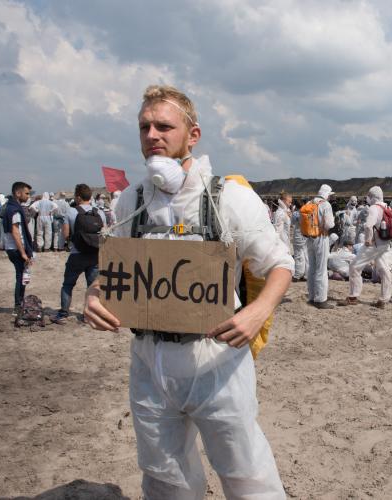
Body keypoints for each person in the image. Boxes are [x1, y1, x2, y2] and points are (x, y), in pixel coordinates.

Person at [82, 84, 292, 499]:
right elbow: (111, 270)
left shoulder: (229, 198)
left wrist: (257, 313)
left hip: (218, 364)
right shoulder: (131, 202)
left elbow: (280, 264)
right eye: (144, 127)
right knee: (164, 478)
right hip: (149, 364)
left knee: (245, 472)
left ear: (192, 135)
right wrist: (93, 295)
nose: (152, 136)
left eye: (164, 126)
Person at [51, 184, 106, 325]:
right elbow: (105, 233)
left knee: (68, 284)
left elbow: (66, 233)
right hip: (94, 254)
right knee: (92, 286)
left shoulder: (71, 212)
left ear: (78, 197)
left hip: (77, 254)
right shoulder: (99, 212)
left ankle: (63, 314)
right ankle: (89, 315)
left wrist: (67, 244)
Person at [339, 186, 392, 309]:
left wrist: (368, 239)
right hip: (384, 244)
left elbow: (369, 226)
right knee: (384, 270)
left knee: (354, 267)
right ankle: (384, 299)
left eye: (369, 195)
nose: (367, 197)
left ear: (373, 196)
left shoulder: (374, 208)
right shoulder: (387, 207)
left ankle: (353, 296)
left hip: (373, 244)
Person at [2, 182, 34, 314]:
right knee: (20, 277)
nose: (28, 196)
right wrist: (23, 253)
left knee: (22, 276)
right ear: (18, 193)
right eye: (26, 193)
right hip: (15, 248)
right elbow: (15, 232)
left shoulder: (10, 207)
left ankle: (20, 303)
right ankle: (18, 305)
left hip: (13, 247)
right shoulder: (14, 209)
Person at [306, 184, 335, 309]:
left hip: (309, 237)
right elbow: (329, 224)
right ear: (326, 194)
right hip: (321, 237)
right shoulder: (325, 204)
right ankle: (321, 299)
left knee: (312, 267)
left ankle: (312, 296)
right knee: (321, 269)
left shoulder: (309, 202)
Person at [290, 199, 309, 281]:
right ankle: (307, 274)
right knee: (306, 254)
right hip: (306, 235)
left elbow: (293, 223)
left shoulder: (295, 213)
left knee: (298, 255)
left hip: (298, 234)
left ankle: (298, 274)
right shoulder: (307, 212)